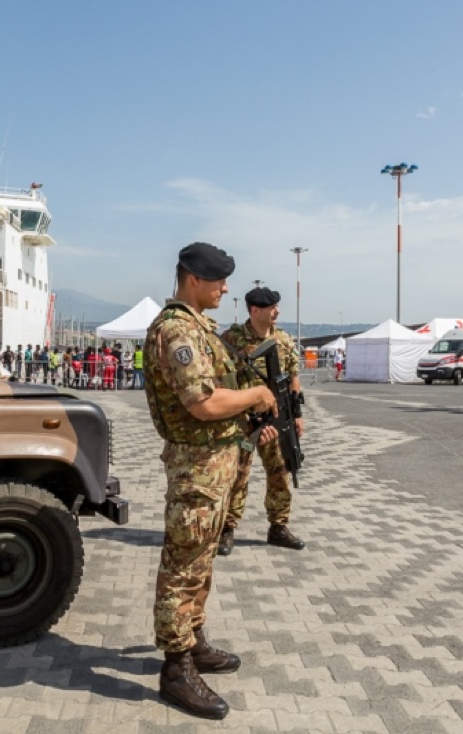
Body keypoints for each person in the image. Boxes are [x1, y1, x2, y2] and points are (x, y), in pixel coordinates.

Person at [144, 241, 278, 720]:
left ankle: (194, 639)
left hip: (215, 464)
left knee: (200, 561)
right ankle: (176, 668)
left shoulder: (201, 328)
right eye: (219, 279)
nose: (226, 287)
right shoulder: (176, 330)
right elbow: (202, 404)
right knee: (183, 565)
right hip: (196, 469)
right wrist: (255, 395)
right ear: (192, 279)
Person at [218, 286, 306, 556]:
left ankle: (278, 527)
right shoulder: (231, 339)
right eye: (272, 307)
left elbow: (293, 377)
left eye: (277, 306)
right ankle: (227, 529)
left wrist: (298, 417)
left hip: (278, 419)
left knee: (281, 471)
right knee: (238, 474)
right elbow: (220, 379)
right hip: (243, 421)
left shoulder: (283, 340)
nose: (277, 311)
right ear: (255, 310)